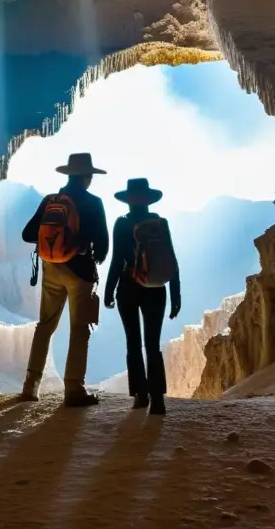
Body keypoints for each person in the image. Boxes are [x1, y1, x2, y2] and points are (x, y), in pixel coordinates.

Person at [20, 153, 109, 407]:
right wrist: (85, 251)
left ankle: (30, 387)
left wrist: (53, 247)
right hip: (80, 274)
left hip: (51, 271)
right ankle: (74, 390)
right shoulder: (93, 203)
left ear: (68, 175)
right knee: (79, 329)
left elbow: (28, 234)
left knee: (45, 326)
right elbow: (102, 248)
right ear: (86, 177)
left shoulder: (50, 201)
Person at [104, 178, 181, 415]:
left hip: (128, 287)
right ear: (148, 200)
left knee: (133, 343)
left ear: (128, 201)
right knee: (152, 345)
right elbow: (171, 259)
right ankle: (158, 399)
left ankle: (141, 395)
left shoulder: (122, 224)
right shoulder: (160, 223)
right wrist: (176, 293)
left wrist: (108, 291)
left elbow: (117, 260)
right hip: (157, 288)